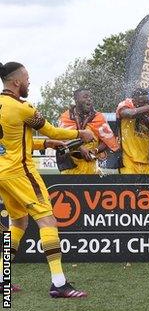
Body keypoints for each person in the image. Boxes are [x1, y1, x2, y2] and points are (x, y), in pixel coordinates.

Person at [0, 61, 94, 297]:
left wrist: (46, 144)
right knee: (47, 221)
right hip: (20, 172)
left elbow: (13, 141)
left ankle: (2, 278)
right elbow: (51, 129)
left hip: (3, 173)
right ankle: (59, 284)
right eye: (27, 78)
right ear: (16, 82)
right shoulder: (23, 108)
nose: (29, 82)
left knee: (19, 223)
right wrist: (79, 133)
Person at [58, 88, 119, 174]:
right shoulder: (66, 117)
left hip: (91, 166)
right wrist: (80, 148)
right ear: (76, 99)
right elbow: (62, 137)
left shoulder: (98, 117)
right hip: (71, 166)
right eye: (85, 97)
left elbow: (107, 141)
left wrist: (96, 150)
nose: (89, 99)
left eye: (90, 97)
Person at [117, 88, 149, 174]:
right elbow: (131, 113)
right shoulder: (125, 106)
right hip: (128, 162)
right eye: (142, 103)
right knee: (130, 188)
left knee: (146, 188)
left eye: (147, 102)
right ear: (134, 101)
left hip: (146, 163)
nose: (146, 105)